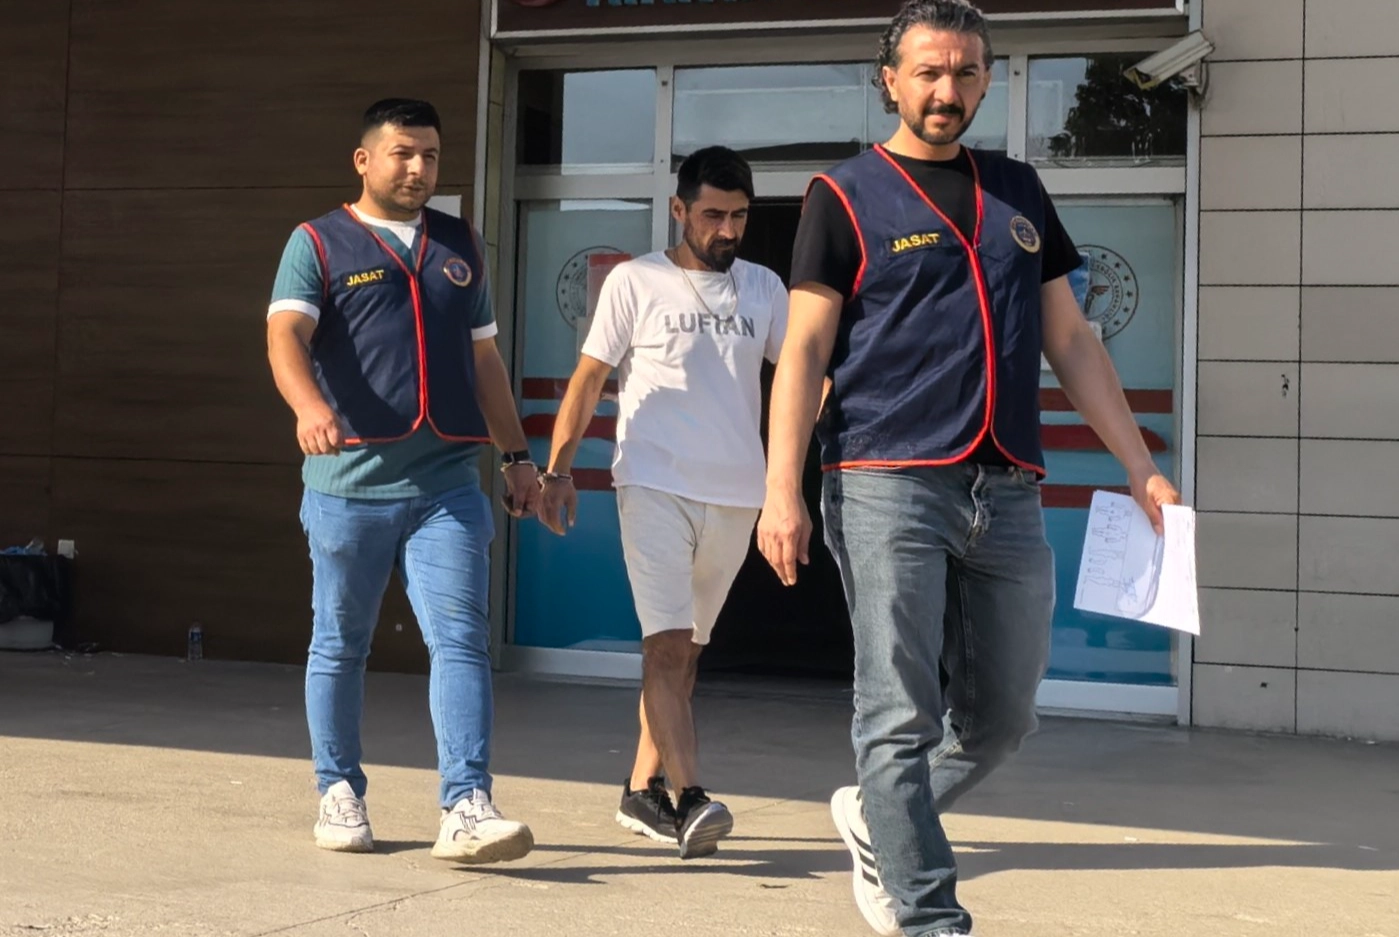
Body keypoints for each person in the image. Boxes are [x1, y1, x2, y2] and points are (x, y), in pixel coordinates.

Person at [756, 2, 1180, 935]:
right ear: (891, 81)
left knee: (1003, 718)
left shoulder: (1018, 190)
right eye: (928, 72)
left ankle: (880, 816)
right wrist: (781, 488)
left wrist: (1139, 465)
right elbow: (806, 348)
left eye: (965, 72)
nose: (947, 90)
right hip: (886, 477)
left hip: (1008, 487)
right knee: (897, 712)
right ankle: (929, 914)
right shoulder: (844, 194)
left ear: (986, 80)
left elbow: (1072, 339)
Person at [265, 98, 540, 864]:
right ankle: (338, 790)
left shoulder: (460, 245)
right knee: (340, 643)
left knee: (461, 640)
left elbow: (484, 359)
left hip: (447, 484)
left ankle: (467, 802)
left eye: (431, 155)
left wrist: (517, 457)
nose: (419, 168)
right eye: (403, 153)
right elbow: (285, 335)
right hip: (347, 485)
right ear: (364, 160)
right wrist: (308, 405)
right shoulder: (317, 242)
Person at [537, 146, 788, 860]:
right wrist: (558, 470)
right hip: (652, 483)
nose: (727, 229)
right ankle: (692, 797)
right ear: (678, 209)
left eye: (739, 215)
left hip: (736, 492)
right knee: (667, 646)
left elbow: (802, 375)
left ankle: (639, 789)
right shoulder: (636, 280)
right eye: (712, 214)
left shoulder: (765, 288)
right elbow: (589, 378)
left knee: (688, 652)